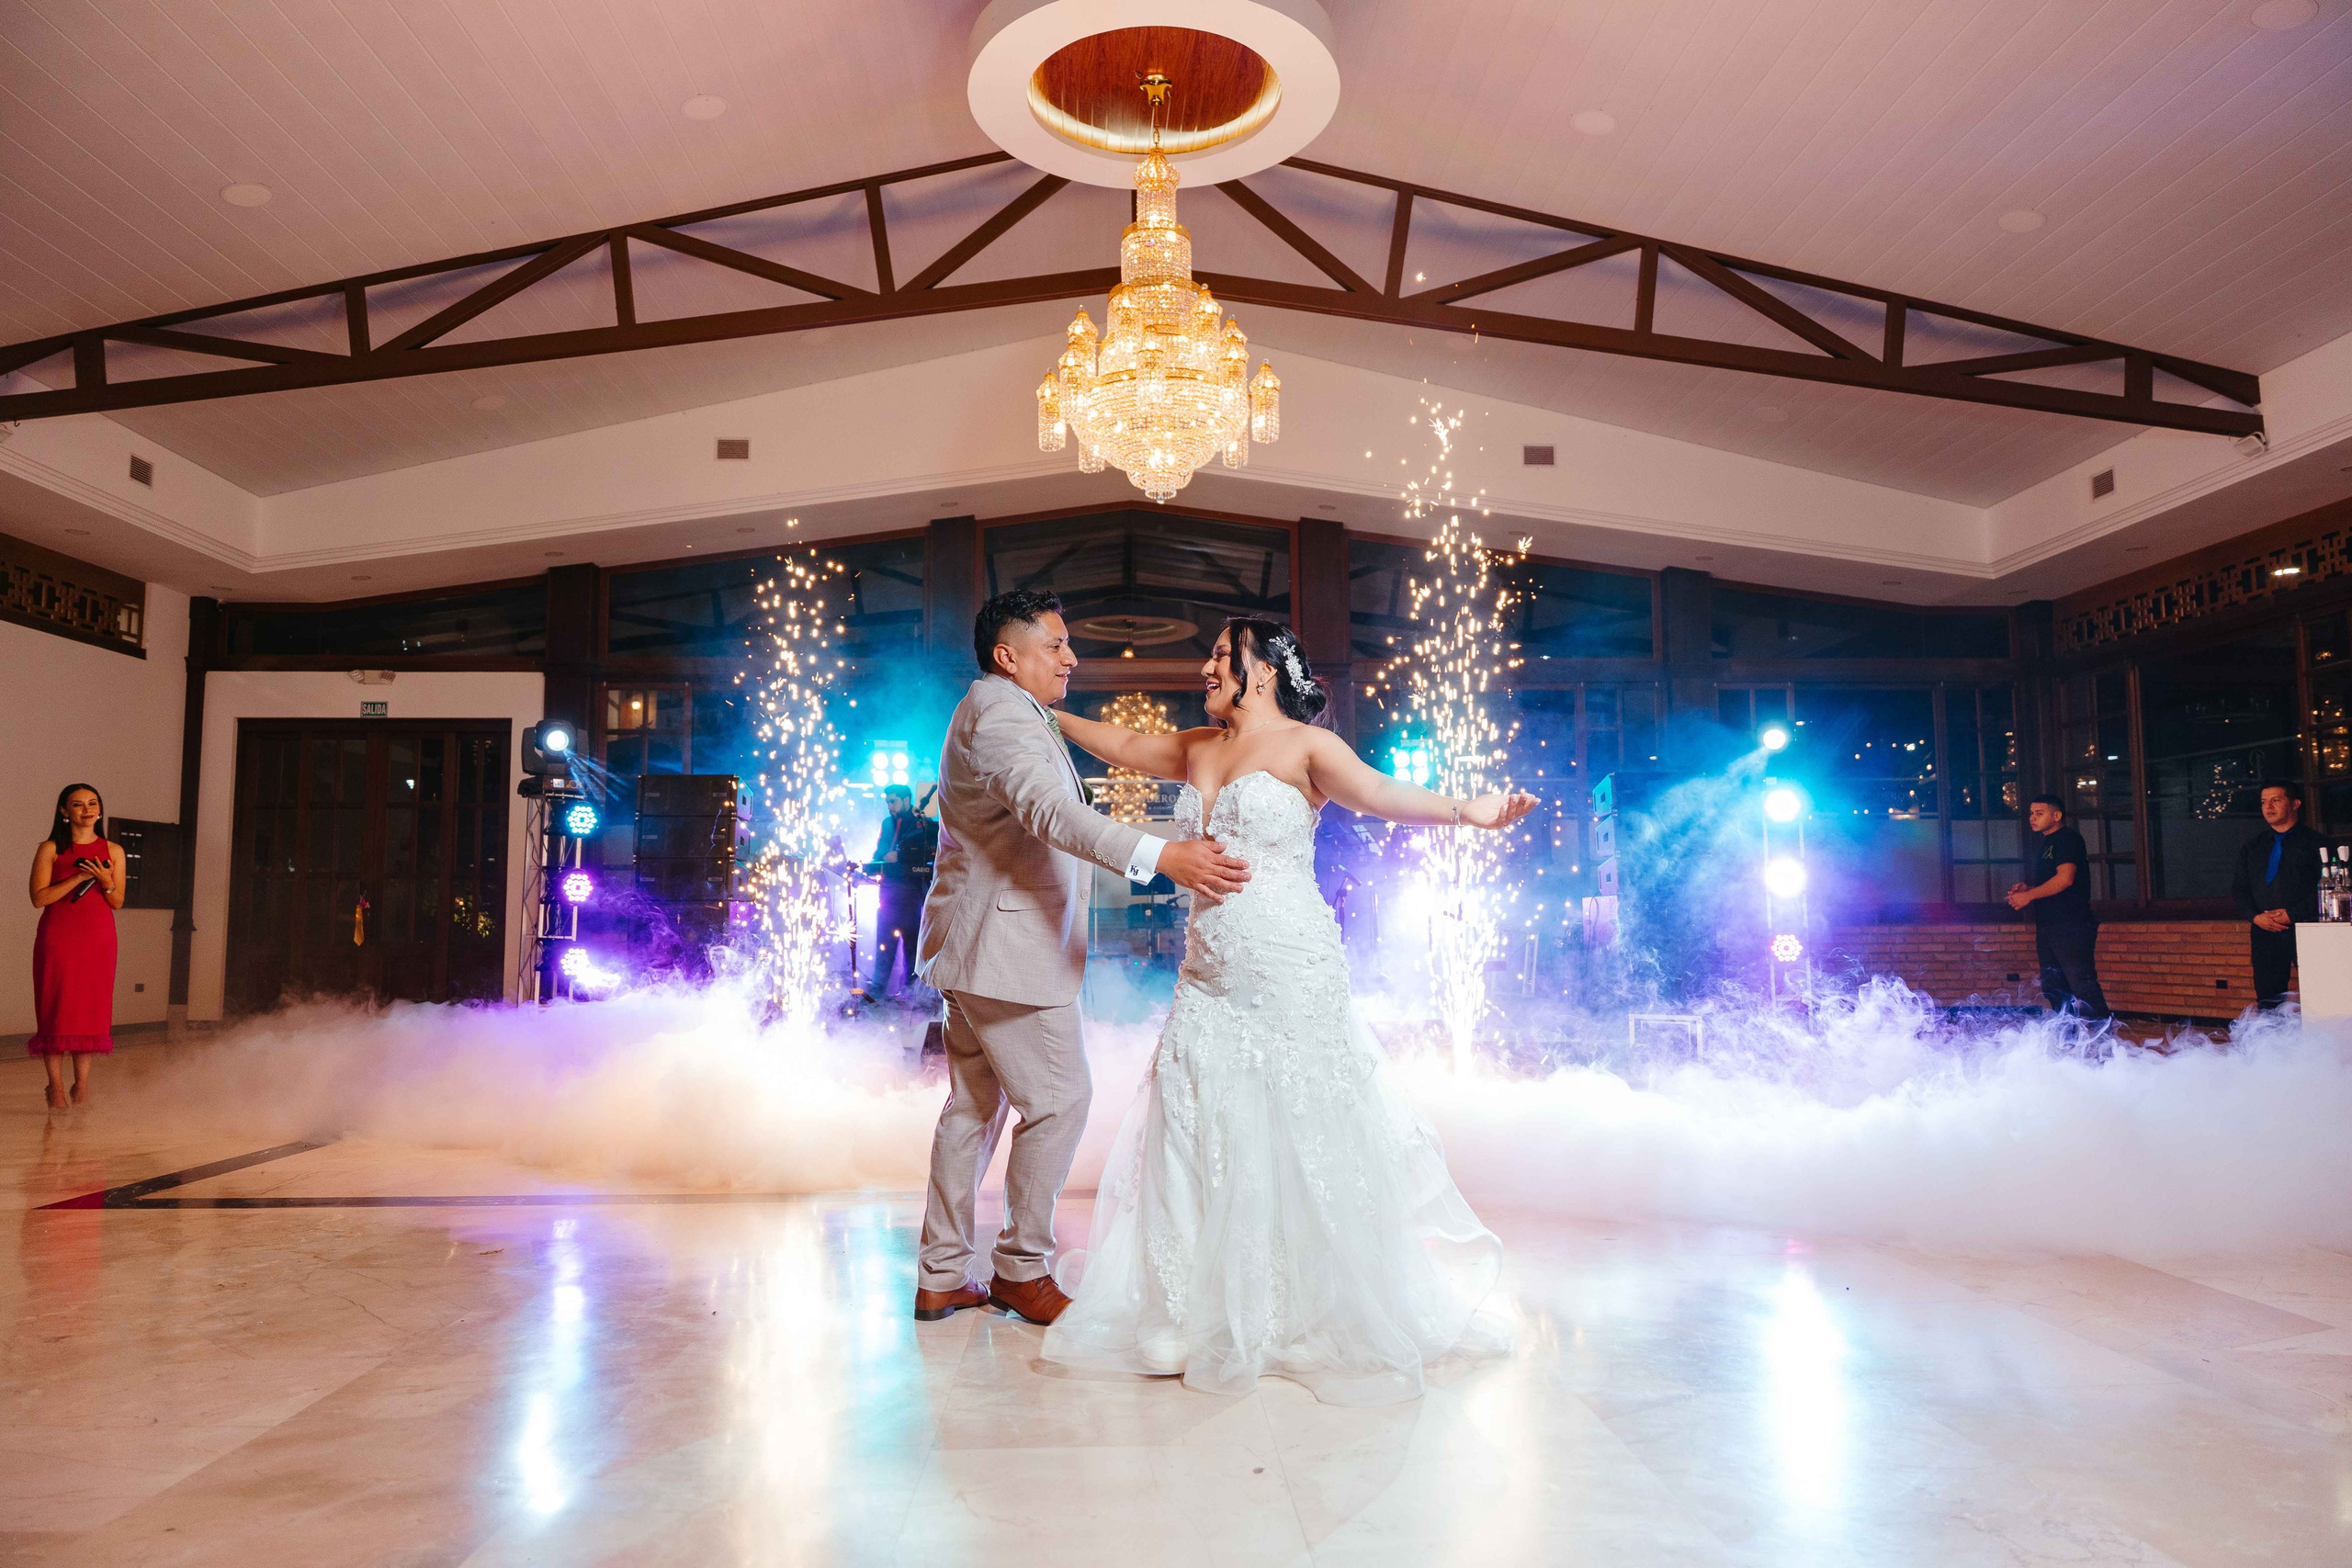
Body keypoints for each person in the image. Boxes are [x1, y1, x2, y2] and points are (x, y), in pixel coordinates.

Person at [1042, 618, 1537, 1405]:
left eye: (1220, 654)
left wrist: (1465, 811)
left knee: (1295, 1122)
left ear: (1262, 671)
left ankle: (1297, 1311)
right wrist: (1039, 710)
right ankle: (1180, 1314)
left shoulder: (1309, 747)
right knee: (1189, 1115)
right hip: (1206, 972)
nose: (1205, 665)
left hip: (1289, 966)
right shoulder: (1197, 746)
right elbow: (1120, 745)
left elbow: (1379, 792)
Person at [910, 589, 1251, 1329]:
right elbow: (1050, 814)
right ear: (1008, 656)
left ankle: (941, 1275)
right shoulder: (1001, 713)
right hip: (1002, 949)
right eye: (1055, 645)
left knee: (972, 1109)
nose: (1072, 656)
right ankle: (1020, 1270)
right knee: (1060, 1100)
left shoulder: (1007, 708)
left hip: (976, 946)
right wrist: (1165, 855)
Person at [27, 784, 125, 1110]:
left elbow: (117, 902)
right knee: (55, 1008)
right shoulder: (50, 849)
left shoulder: (113, 850)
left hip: (97, 939)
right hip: (58, 938)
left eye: (93, 803)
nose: (87, 809)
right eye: (78, 804)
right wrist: (77, 878)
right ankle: (54, 1086)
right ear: (64, 811)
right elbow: (39, 898)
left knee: (90, 1011)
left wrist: (106, 881)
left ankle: (81, 1085)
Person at [2007, 794, 2109, 1021]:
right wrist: (2028, 889)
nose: (2032, 818)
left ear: (2056, 815)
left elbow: (2065, 880)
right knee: (2053, 986)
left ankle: (2105, 1044)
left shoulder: (2068, 839)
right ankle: (2068, 1040)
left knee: (2081, 984)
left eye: (2039, 813)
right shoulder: (2045, 843)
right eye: (2031, 813)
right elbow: (2053, 882)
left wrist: (2028, 896)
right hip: (2049, 923)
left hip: (2071, 923)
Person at [2232, 780, 2324, 1009]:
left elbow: (2327, 888)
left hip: (2308, 928)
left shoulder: (2317, 844)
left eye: (2276, 800)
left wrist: (2292, 914)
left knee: (2320, 989)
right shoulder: (2252, 847)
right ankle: (2271, 1044)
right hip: (2264, 929)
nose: (2268, 807)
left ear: (2295, 804)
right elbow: (2240, 889)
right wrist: (2255, 917)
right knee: (2268, 996)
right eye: (2264, 802)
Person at [865, 784, 935, 1000]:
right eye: (887, 801)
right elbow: (880, 852)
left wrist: (900, 856)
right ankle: (878, 991)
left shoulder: (922, 823)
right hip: (888, 891)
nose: (889, 806)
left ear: (907, 800)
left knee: (912, 945)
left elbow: (929, 853)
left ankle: (913, 993)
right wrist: (873, 864)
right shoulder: (888, 823)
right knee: (884, 942)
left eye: (893, 801)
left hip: (911, 892)